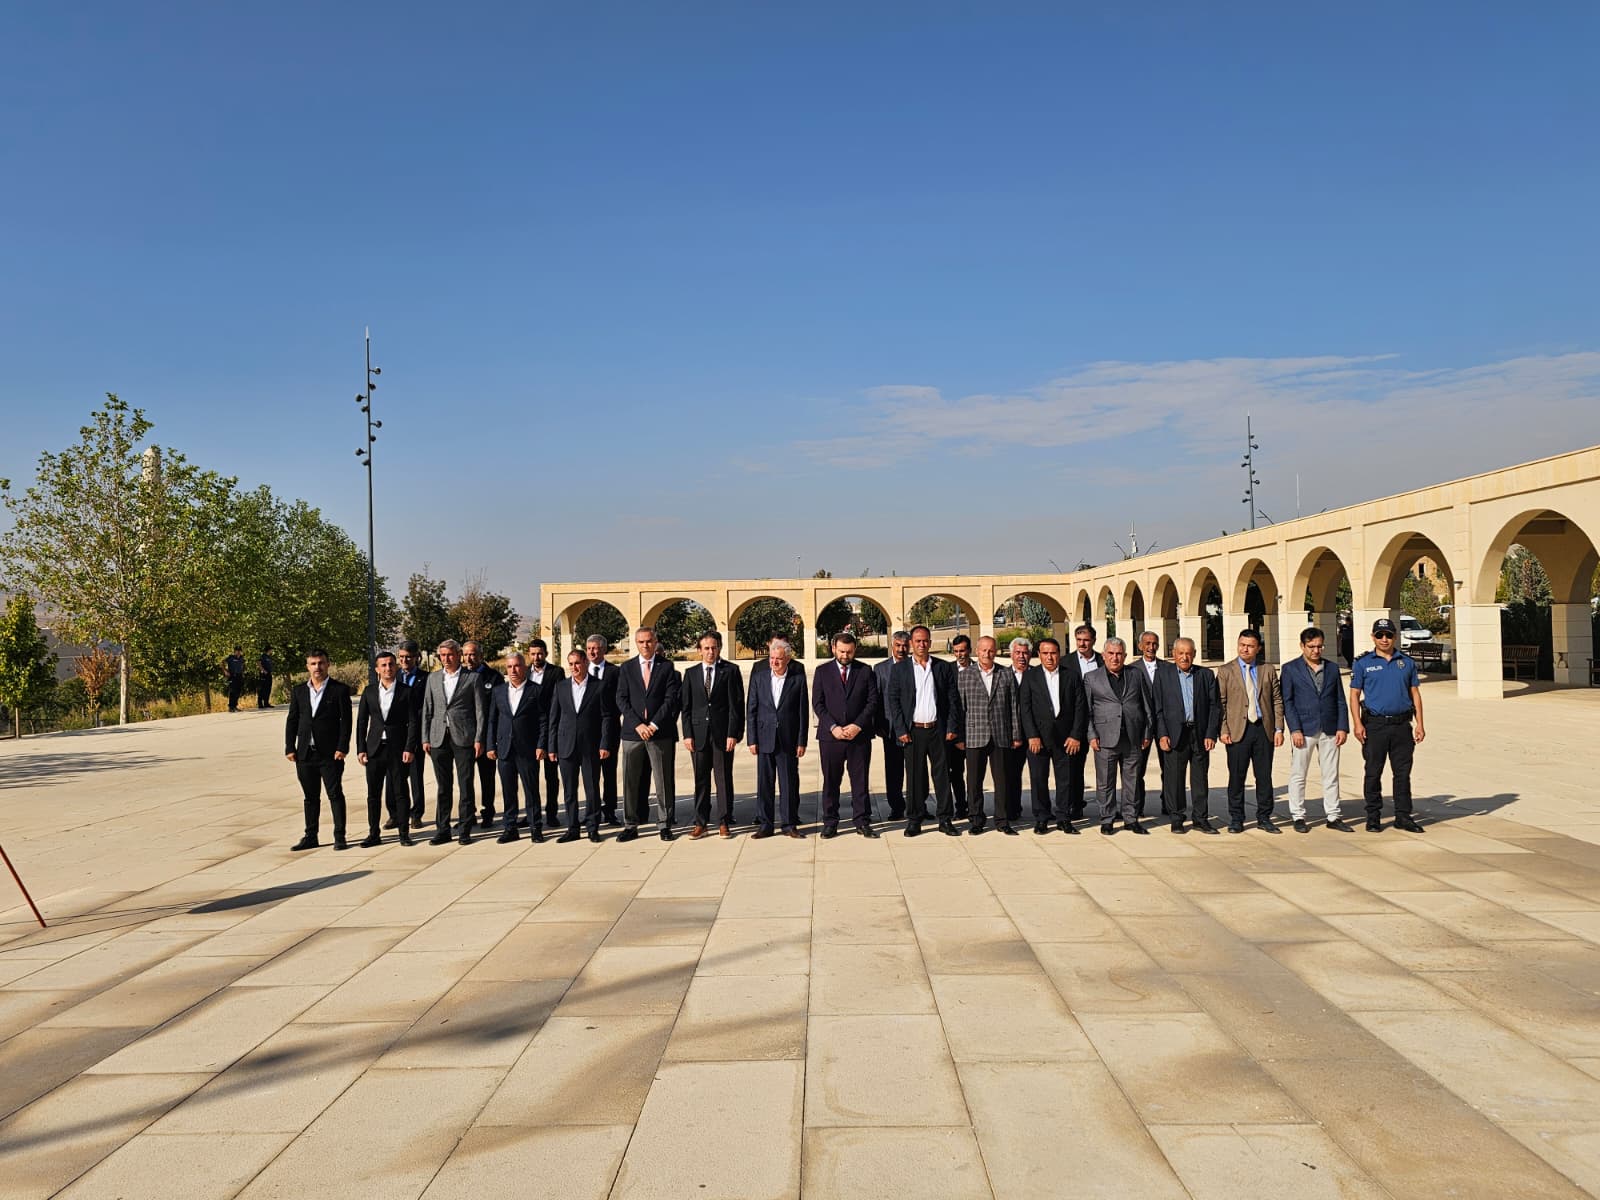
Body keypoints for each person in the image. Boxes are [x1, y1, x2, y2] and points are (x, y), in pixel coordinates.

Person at [1349, 618, 1426, 833]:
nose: (1384, 639)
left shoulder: (1406, 662)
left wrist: (1420, 724)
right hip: (1375, 726)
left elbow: (1415, 694)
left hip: (1402, 725)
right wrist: (1357, 723)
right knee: (1373, 772)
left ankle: (1403, 816)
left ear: (1395, 637)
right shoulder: (1363, 663)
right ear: (1373, 637)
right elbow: (1354, 695)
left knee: (1402, 773)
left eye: (1389, 635)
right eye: (1380, 635)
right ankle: (1373, 816)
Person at [886, 625, 964, 837]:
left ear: (930, 642)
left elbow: (953, 700)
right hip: (913, 731)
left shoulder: (942, 667)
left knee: (942, 775)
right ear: (911, 643)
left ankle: (945, 819)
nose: (921, 644)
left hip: (938, 730)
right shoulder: (900, 669)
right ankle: (914, 819)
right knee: (914, 777)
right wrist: (901, 728)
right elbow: (893, 700)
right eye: (918, 641)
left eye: (925, 641)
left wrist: (952, 727)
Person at [1281, 626, 1351, 833]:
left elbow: (1340, 699)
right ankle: (1298, 815)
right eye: (1311, 646)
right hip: (1304, 728)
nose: (1316, 650)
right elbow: (1288, 701)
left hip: (1330, 728)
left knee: (1331, 774)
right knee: (1299, 773)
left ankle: (1333, 815)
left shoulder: (1332, 668)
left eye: (1319, 646)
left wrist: (1342, 727)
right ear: (1302, 646)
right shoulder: (1290, 669)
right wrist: (1294, 729)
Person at [615, 626, 681, 842]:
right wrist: (638, 724)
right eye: (641, 642)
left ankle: (665, 824)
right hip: (633, 734)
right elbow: (621, 699)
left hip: (659, 733)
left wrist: (653, 724)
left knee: (663, 781)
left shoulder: (667, 667)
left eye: (649, 641)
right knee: (630, 781)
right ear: (636, 643)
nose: (645, 645)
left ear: (655, 641)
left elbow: (670, 699)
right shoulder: (627, 668)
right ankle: (630, 825)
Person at [812, 631, 880, 838]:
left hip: (858, 736)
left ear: (855, 650)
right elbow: (818, 703)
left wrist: (858, 725)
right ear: (833, 648)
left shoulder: (865, 671)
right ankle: (830, 822)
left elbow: (872, 702)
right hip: (831, 737)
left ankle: (862, 821)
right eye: (841, 651)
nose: (845, 655)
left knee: (860, 780)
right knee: (831, 781)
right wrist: (833, 727)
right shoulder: (822, 671)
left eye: (849, 652)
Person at [1217, 629, 1286, 833]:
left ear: (1258, 648)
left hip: (1263, 729)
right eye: (1242, 645)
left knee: (1264, 777)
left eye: (1250, 646)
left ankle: (1264, 817)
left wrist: (1279, 728)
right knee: (1237, 777)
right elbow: (1220, 703)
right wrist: (1223, 729)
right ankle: (1236, 818)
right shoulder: (1226, 671)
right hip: (1238, 731)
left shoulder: (1268, 669)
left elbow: (1277, 700)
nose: (1245, 649)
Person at [1018, 637, 1089, 834]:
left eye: (1053, 653)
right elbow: (1025, 709)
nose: (1049, 657)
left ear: (1059, 654)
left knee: (1065, 780)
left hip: (1066, 739)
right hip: (1038, 739)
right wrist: (1032, 735)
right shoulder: (1030, 677)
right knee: (1039, 779)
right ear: (1039, 655)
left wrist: (1075, 735)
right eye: (1045, 653)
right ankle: (1041, 818)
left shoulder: (1072, 676)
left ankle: (1064, 818)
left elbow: (1081, 708)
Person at [284, 648, 352, 851]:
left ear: (328, 664)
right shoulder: (299, 691)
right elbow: (292, 720)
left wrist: (342, 746)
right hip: (305, 753)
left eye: (321, 663)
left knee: (335, 794)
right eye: (313, 664)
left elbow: (346, 721)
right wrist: (290, 747)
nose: (317, 667)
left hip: (330, 754)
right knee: (310, 797)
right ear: (307, 666)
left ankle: (340, 836)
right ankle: (310, 835)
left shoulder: (339, 690)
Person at [1083, 638, 1153, 835]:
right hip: (1105, 738)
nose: (1115, 658)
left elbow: (1146, 706)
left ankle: (1131, 818)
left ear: (1125, 656)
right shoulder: (1091, 678)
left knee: (1132, 781)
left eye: (1119, 654)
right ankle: (1107, 819)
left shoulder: (1136, 674)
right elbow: (1086, 711)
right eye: (1111, 653)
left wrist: (1147, 732)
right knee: (1105, 781)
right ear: (1103, 655)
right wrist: (1091, 735)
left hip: (1133, 737)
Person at [679, 630, 745, 838]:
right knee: (701, 779)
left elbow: (736, 706)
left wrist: (733, 733)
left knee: (723, 778)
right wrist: (687, 734)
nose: (710, 652)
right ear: (699, 650)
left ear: (719, 648)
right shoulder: (691, 674)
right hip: (698, 735)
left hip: (722, 734)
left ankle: (724, 821)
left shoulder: (730, 671)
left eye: (714, 648)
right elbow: (686, 708)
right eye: (706, 648)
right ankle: (701, 822)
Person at [954, 635, 1022, 834]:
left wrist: (1016, 734)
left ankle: (1002, 820)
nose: (987, 654)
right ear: (977, 651)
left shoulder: (1005, 674)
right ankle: (976, 820)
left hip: (1000, 735)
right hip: (974, 735)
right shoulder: (965, 675)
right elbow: (960, 708)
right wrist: (960, 736)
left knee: (1002, 780)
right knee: (974, 781)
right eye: (983, 650)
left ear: (996, 652)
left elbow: (1013, 706)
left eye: (991, 650)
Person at [422, 638, 486, 845]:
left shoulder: (472, 678)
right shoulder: (433, 679)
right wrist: (425, 737)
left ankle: (465, 829)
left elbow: (480, 711)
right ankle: (443, 829)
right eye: (443, 655)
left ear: (459, 655)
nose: (446, 659)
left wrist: (479, 738)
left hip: (464, 737)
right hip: (438, 737)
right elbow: (427, 710)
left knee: (465, 784)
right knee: (443, 786)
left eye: (450, 655)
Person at [1153, 638, 1221, 833]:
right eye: (1180, 653)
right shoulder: (1163, 675)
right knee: (1174, 779)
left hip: (1199, 734)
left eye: (1188, 653)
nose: (1184, 657)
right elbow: (1158, 708)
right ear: (1173, 654)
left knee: (1200, 779)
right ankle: (1177, 818)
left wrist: (1211, 734)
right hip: (1175, 734)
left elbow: (1214, 706)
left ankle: (1200, 819)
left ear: (1194, 654)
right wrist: (1162, 734)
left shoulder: (1205, 675)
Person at [355, 650, 420, 847]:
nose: (388, 668)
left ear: (396, 666)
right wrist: (361, 748)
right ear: (377, 669)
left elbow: (413, 722)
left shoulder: (406, 691)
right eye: (383, 665)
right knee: (373, 794)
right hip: (375, 749)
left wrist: (410, 747)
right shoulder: (369, 692)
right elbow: (361, 722)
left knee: (400, 792)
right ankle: (373, 834)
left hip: (398, 749)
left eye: (391, 664)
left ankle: (404, 833)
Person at [747, 638, 810, 836]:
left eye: (779, 659)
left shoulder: (797, 680)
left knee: (788, 784)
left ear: (788, 659)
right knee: (764, 784)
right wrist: (752, 739)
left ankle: (789, 824)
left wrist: (801, 741)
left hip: (788, 740)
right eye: (772, 658)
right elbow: (751, 710)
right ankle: (765, 825)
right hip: (764, 738)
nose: (774, 662)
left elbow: (802, 713)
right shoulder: (759, 678)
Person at [546, 648, 607, 842]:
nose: (574, 667)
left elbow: (606, 717)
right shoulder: (561, 687)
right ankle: (572, 828)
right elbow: (553, 718)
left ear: (586, 663)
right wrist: (551, 747)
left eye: (577, 663)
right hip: (566, 746)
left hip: (591, 746)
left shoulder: (599, 686)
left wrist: (604, 743)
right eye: (571, 664)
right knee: (569, 791)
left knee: (592, 789)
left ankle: (592, 828)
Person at [486, 651, 545, 844]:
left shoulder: (536, 690)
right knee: (508, 790)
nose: (513, 670)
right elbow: (492, 720)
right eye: (509, 666)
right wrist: (490, 745)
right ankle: (510, 828)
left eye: (517, 666)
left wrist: (541, 745)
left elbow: (543, 721)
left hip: (527, 749)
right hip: (504, 749)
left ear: (525, 668)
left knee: (531, 790)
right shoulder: (498, 691)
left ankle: (535, 827)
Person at [1131, 632, 1176, 816]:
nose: (1151, 647)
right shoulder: (1132, 669)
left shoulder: (1168, 668)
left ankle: (1169, 804)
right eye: (1147, 643)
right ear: (1140, 646)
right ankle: (1136, 807)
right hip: (1142, 726)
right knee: (1137, 768)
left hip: (1165, 724)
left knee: (1169, 767)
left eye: (1155, 643)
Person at [463, 640, 505, 829]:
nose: (469, 658)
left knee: (487, 777)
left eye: (472, 654)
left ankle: (488, 812)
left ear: (481, 655)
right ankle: (468, 813)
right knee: (465, 778)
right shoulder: (461, 676)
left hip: (487, 737)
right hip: (465, 736)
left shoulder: (494, 677)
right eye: (465, 654)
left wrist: (493, 739)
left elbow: (497, 710)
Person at [523, 639, 563, 829]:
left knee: (551, 776)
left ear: (546, 654)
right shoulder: (524, 672)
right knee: (529, 776)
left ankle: (552, 813)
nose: (536, 657)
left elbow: (559, 699)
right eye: (533, 654)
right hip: (528, 731)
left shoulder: (556, 672)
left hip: (550, 729)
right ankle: (531, 812)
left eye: (539, 653)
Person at [587, 635, 626, 826]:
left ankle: (609, 810)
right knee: (590, 774)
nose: (592, 652)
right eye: (589, 649)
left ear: (604, 649)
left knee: (609, 773)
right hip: (587, 731)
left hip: (609, 729)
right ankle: (592, 810)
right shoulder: (582, 670)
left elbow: (621, 698)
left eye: (595, 648)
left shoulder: (615, 672)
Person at [1066, 625, 1103, 818]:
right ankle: (1075, 804)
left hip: (1101, 722)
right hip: (1076, 723)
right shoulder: (1066, 663)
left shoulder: (1103, 661)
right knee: (1074, 767)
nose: (1082, 644)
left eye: (1086, 640)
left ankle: (1107, 807)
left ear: (1093, 640)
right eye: (1079, 640)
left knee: (1105, 767)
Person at [874, 630, 911, 820]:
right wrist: (878, 725)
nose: (901, 649)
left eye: (905, 646)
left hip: (913, 727)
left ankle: (918, 805)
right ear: (892, 645)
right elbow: (876, 698)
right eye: (898, 645)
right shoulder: (880, 669)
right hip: (890, 729)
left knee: (916, 769)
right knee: (894, 770)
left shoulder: (916, 666)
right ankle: (896, 806)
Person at [395, 641, 429, 826]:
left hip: (416, 733)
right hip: (396, 733)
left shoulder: (426, 678)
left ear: (416, 657)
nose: (404, 660)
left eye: (408, 657)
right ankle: (396, 814)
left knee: (416, 776)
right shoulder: (394, 676)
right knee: (394, 776)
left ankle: (416, 813)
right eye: (401, 657)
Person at [1003, 638, 1034, 822]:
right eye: (1018, 652)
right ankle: (1012, 808)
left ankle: (1041, 809)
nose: (1021, 656)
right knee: (1011, 774)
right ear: (1011, 654)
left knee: (1038, 775)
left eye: (1025, 653)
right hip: (1011, 735)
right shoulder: (1003, 675)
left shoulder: (1037, 675)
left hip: (1034, 735)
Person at [948, 634, 974, 818]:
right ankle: (960, 806)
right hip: (955, 733)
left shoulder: (979, 669)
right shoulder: (948, 670)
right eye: (956, 651)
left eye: (963, 651)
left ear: (969, 650)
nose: (960, 655)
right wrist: (957, 735)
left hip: (976, 731)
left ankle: (974, 807)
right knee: (956, 773)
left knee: (974, 775)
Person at [224, 646, 246, 713]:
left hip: (239, 676)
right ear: (234, 651)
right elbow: (222, 663)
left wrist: (243, 672)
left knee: (238, 691)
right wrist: (225, 671)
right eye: (237, 651)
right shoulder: (231, 657)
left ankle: (235, 706)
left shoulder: (242, 658)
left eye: (240, 651)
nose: (238, 652)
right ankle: (231, 707)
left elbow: (244, 665)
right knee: (233, 691)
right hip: (233, 675)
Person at [256, 645, 274, 709]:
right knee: (262, 689)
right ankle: (260, 704)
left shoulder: (269, 657)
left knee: (268, 688)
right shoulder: (263, 656)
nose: (272, 651)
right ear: (268, 650)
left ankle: (266, 703)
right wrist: (263, 670)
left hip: (269, 674)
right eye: (271, 649)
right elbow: (258, 663)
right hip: (264, 674)